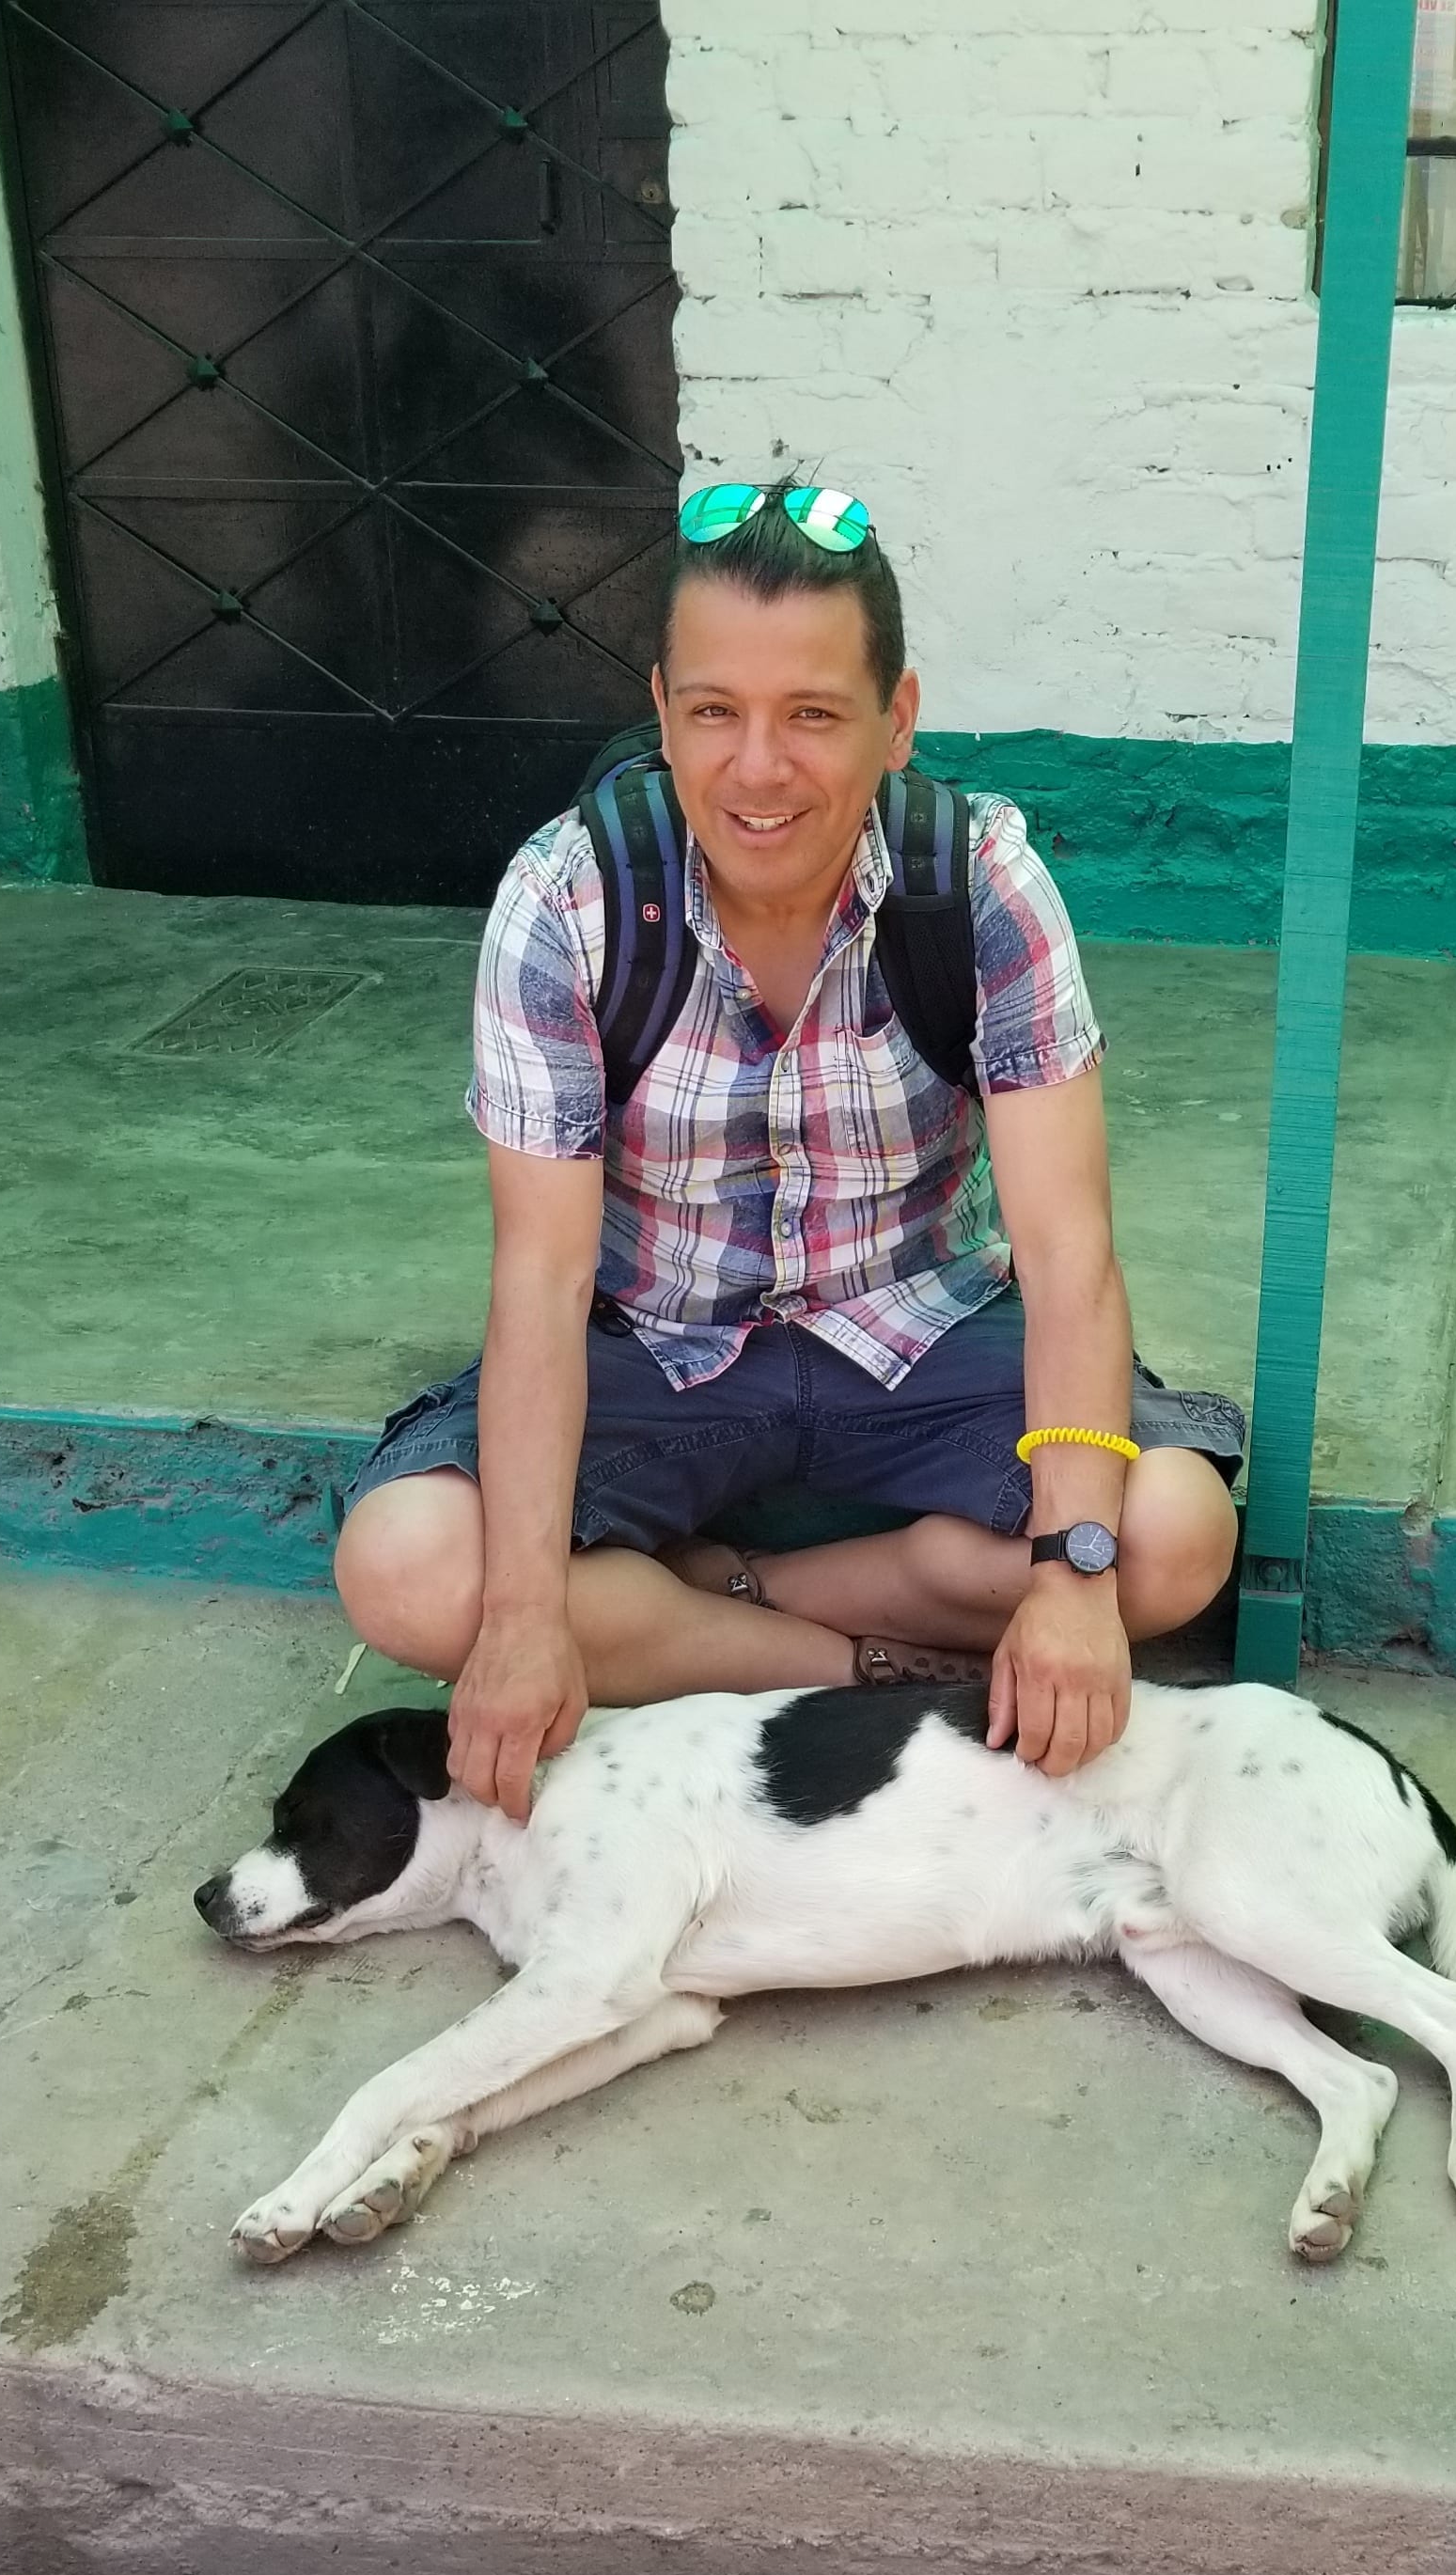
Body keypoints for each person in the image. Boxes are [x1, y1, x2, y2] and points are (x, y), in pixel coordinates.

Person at [334, 479, 1245, 1820]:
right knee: (409, 1572)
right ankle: (868, 1666)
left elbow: (1065, 1255)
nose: (757, 769)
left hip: (918, 1337)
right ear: (661, 711)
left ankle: (720, 1602)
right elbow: (539, 1276)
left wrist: (1070, 1573)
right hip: (653, 1347)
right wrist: (523, 1619)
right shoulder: (566, 898)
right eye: (715, 713)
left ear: (898, 720)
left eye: (813, 714)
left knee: (1166, 1541)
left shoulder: (978, 883)